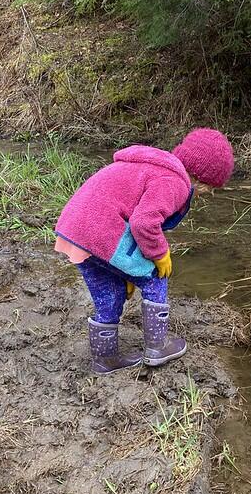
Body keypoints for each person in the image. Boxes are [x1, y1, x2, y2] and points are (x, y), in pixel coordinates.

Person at [54, 128, 234, 374]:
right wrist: (160, 254)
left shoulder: (149, 165)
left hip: (74, 229)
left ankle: (105, 359)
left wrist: (123, 271)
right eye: (210, 186)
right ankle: (158, 347)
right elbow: (143, 223)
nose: (208, 192)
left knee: (110, 290)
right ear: (201, 175)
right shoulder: (175, 181)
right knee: (155, 277)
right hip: (101, 232)